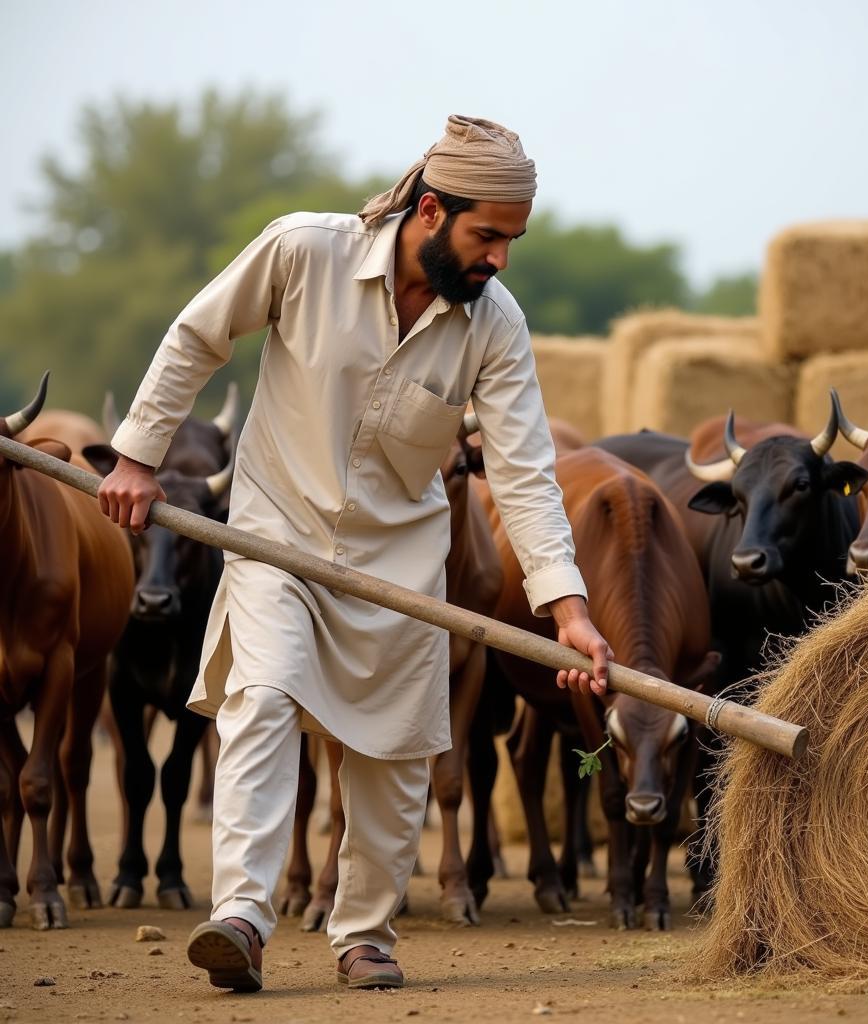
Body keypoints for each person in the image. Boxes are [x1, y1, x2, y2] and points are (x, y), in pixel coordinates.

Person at [97, 114, 613, 994]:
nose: (500, 258)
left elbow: (525, 474)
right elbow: (197, 336)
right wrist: (138, 456)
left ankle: (365, 932)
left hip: (401, 563)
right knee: (261, 698)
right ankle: (243, 919)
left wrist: (568, 611)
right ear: (428, 209)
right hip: (275, 536)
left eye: (512, 240)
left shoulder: (495, 324)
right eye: (488, 235)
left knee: (397, 752)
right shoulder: (304, 251)